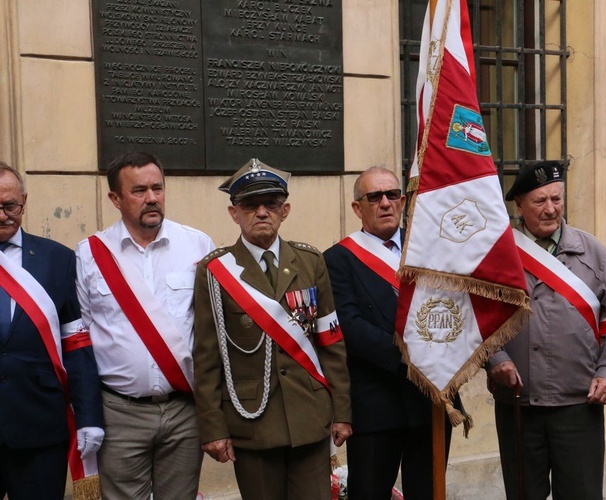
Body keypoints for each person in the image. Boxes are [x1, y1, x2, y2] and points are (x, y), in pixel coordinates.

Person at [193, 158, 352, 500]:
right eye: (250, 204)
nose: (261, 211)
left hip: (309, 415)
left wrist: (342, 411)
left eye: (271, 204)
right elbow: (206, 357)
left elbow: (331, 342)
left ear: (285, 211)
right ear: (234, 213)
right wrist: (213, 428)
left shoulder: (310, 262)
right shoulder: (215, 271)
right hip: (252, 418)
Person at [487, 160, 606, 500]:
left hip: (579, 403)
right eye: (540, 201)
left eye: (557, 199)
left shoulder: (594, 253)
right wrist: (495, 358)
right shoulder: (498, 256)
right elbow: (478, 319)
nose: (551, 209)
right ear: (519, 204)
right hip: (517, 405)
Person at [75, 151, 214, 499]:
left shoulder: (197, 245)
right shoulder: (90, 254)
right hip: (120, 412)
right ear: (115, 199)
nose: (152, 198)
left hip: (184, 409)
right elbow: (83, 339)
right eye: (138, 190)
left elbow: (212, 330)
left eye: (157, 188)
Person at [323, 166, 453, 499]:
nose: (385, 203)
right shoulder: (337, 259)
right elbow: (349, 326)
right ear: (357, 208)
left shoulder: (432, 249)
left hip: (430, 401)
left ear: (403, 200)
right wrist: (413, 357)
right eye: (374, 196)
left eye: (393, 194)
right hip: (375, 405)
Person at [0, 161, 104, 499]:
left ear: (24, 202)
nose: (2, 215)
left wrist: (88, 416)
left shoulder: (58, 259)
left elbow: (76, 344)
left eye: (9, 205)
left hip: (40, 427)